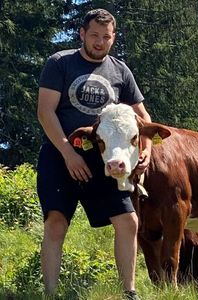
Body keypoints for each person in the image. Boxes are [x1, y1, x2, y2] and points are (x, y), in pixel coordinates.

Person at [36, 8, 150, 300]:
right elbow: (45, 111)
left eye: (107, 37)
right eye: (95, 35)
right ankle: (49, 293)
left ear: (113, 39)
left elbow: (142, 117)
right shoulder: (60, 63)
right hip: (60, 155)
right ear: (82, 34)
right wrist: (67, 154)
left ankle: (130, 293)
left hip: (105, 159)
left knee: (128, 221)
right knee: (56, 221)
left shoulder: (120, 70)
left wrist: (146, 149)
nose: (100, 42)